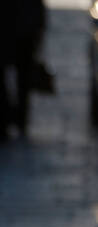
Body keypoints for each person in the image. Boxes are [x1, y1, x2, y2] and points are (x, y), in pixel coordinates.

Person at [0, 0, 47, 140]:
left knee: (21, 77)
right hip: (21, 28)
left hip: (18, 28)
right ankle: (14, 118)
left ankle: (12, 118)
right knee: (22, 78)